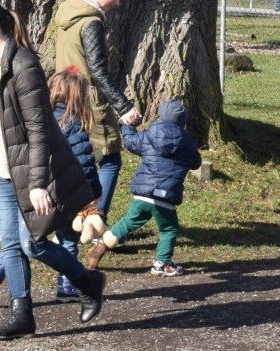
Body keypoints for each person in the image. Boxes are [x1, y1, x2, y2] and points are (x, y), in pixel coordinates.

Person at [0, 0, 106, 340]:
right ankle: (22, 316)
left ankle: (88, 282)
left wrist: (38, 183)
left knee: (34, 244)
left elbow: (39, 130)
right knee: (11, 245)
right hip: (3, 174)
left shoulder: (24, 66)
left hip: (29, 174)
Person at [0, 67, 107, 304]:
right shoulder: (72, 123)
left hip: (31, 188)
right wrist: (92, 196)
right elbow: (83, 162)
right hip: (62, 193)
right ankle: (68, 285)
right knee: (66, 238)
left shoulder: (37, 119)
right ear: (79, 97)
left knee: (19, 240)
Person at [54, 0, 142, 218]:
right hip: (88, 100)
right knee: (110, 157)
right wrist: (124, 108)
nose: (117, 2)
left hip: (63, 94)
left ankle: (72, 217)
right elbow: (98, 72)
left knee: (76, 156)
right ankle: (94, 219)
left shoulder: (67, 15)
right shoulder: (91, 22)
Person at [85, 99, 203, 276]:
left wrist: (128, 125)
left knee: (128, 222)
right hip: (165, 197)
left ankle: (102, 244)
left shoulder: (149, 135)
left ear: (161, 115)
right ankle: (162, 263)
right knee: (169, 229)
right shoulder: (187, 144)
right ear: (183, 121)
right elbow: (196, 163)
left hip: (143, 194)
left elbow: (130, 141)